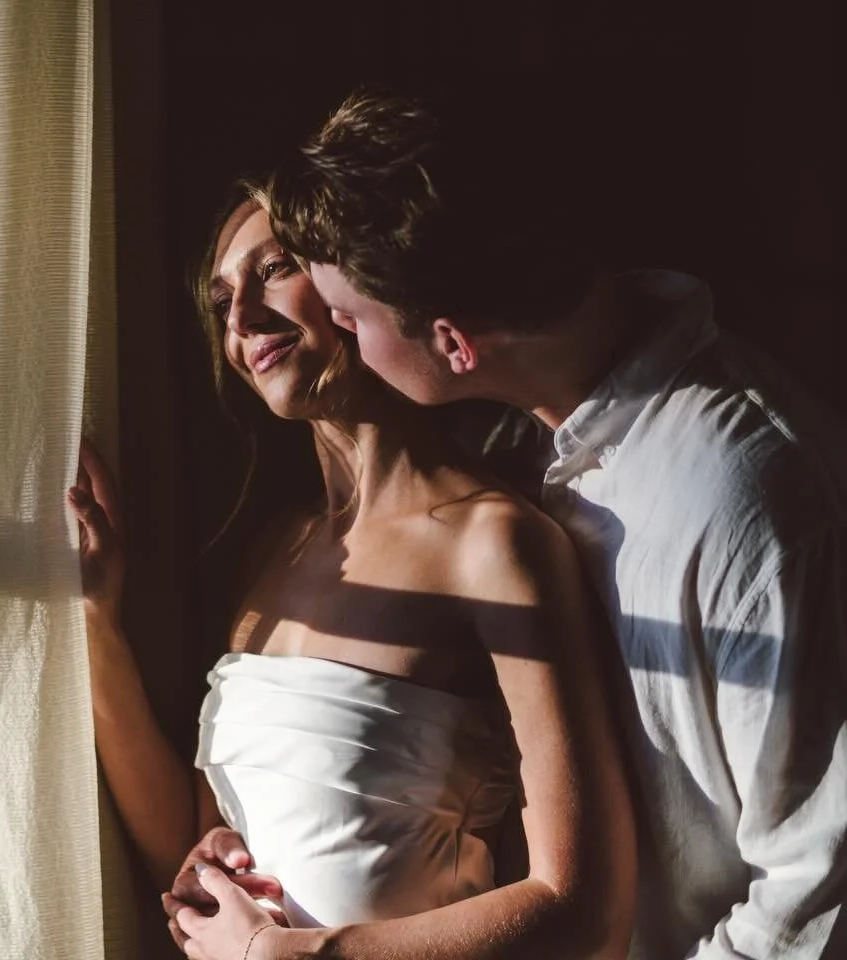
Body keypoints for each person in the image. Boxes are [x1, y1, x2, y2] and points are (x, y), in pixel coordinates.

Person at [199, 86, 847, 958]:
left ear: (454, 344)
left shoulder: (746, 504)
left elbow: (816, 897)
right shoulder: (529, 451)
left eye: (347, 318)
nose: (261, 322)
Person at [71, 181, 635, 958]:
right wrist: (96, 621)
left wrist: (288, 955)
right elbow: (187, 836)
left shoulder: (495, 545)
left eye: (272, 269)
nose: (240, 320)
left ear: (350, 283)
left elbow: (583, 911)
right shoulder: (276, 552)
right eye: (219, 301)